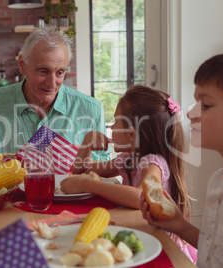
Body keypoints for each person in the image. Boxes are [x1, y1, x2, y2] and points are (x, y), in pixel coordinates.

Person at [141, 52, 223, 267]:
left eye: (206, 105)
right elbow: (217, 250)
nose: (191, 114)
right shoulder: (220, 178)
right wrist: (179, 225)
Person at [60, 85, 196, 262]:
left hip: (162, 246)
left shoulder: (153, 162)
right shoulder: (128, 159)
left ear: (131, 134)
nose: (111, 126)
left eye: (116, 121)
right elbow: (83, 169)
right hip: (141, 235)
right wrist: (86, 144)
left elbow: (140, 196)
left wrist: (88, 184)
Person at [0, 26, 110, 161]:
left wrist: (72, 155)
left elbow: (105, 166)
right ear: (22, 65)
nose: (52, 84)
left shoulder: (91, 109)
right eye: (43, 71)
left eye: (60, 73)